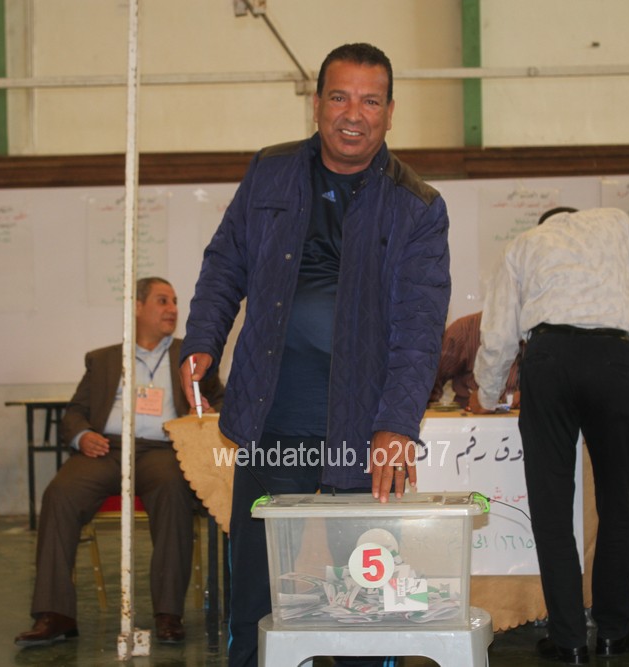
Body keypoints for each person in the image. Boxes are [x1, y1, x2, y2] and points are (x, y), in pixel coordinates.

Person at [178, 42, 450, 667]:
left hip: (365, 430)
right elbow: (225, 263)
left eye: (370, 101)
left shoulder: (417, 205)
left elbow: (419, 327)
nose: (353, 114)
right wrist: (203, 340)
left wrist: (396, 425)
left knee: (365, 590)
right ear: (317, 103)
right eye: (340, 97)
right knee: (257, 589)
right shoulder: (270, 172)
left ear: (390, 112)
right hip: (272, 416)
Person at [471, 207, 629, 664]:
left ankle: (569, 640)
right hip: (616, 355)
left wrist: (488, 394)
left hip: (550, 357)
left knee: (552, 511)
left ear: (546, 225)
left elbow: (499, 330)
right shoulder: (619, 222)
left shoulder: (523, 244)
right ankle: (614, 632)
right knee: (618, 506)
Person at [14, 277, 225, 648]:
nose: (173, 309)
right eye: (162, 300)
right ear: (138, 307)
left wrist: (208, 412)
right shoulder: (104, 359)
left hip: (164, 449)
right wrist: (82, 435)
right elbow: (74, 413)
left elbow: (222, 402)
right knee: (59, 494)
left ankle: (168, 614)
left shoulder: (190, 357)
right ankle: (55, 614)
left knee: (173, 489)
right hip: (106, 449)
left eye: (175, 301)